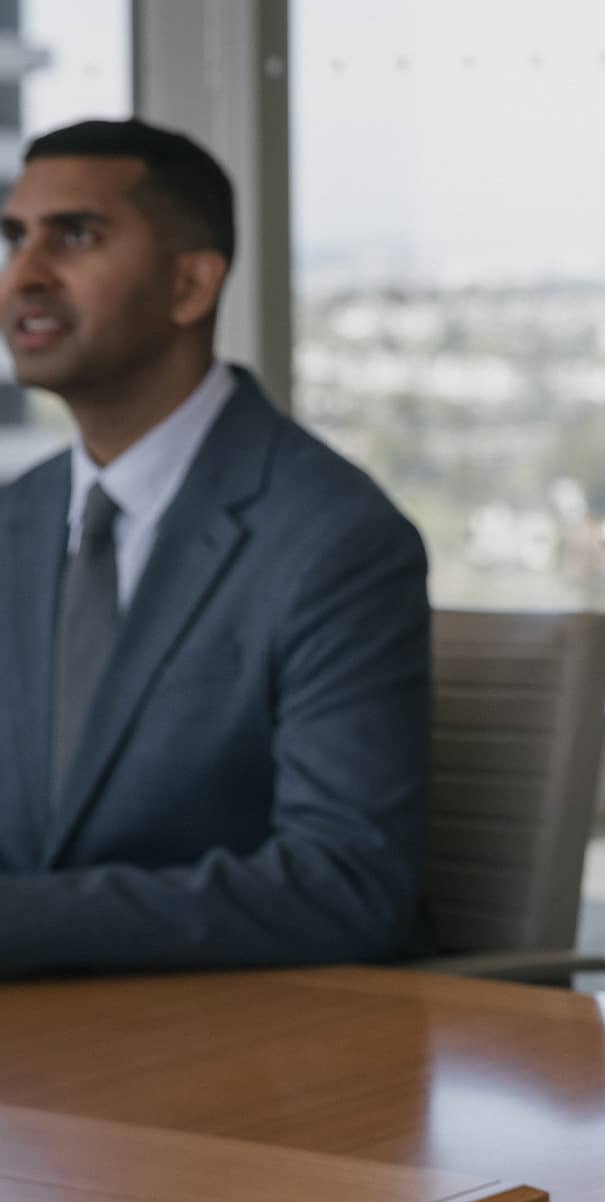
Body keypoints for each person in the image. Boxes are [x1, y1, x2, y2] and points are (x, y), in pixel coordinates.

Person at [0, 120, 429, 973]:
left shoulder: (336, 539)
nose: (25, 274)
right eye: (15, 238)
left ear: (191, 284)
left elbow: (344, 885)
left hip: (230, 1035)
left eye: (75, 235)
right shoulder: (13, 521)